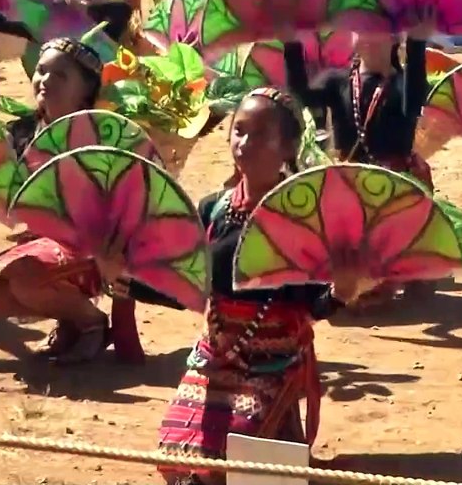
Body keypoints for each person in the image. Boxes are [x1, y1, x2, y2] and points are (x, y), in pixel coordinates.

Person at [146, 88, 340, 485]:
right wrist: (120, 274)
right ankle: (276, 446)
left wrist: (345, 291)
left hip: (274, 360)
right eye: (239, 130)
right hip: (215, 356)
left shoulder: (305, 219)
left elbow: (314, 304)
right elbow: (183, 285)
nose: (244, 142)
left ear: (288, 147)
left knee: (222, 463)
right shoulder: (213, 209)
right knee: (174, 457)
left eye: (260, 134)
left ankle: (272, 442)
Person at [0, 38, 111, 363]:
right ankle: (70, 319)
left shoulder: (102, 136)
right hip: (38, 248)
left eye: (61, 75)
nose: (45, 80)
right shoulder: (22, 132)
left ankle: (92, 323)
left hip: (94, 252)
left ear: (86, 90)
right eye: (41, 70)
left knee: (25, 276)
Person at [284, 33, 431, 189]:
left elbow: (414, 101)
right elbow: (301, 97)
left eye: (376, 30)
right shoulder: (336, 82)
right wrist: (291, 43)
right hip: (348, 186)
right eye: (360, 29)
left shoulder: (404, 87)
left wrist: (416, 39)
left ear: (395, 38)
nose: (368, 36)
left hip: (395, 187)